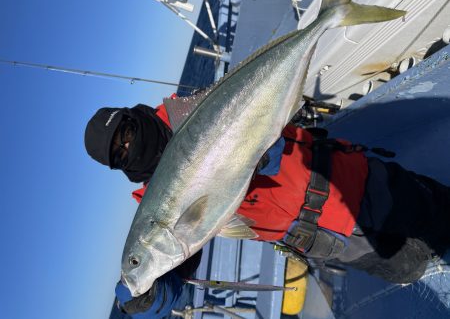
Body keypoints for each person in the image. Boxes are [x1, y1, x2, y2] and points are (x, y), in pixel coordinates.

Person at [85, 94, 450, 317]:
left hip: (347, 183)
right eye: (120, 153)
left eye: (128, 132)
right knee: (408, 267)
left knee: (438, 214)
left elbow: (266, 107)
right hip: (326, 240)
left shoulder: (193, 111)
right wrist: (148, 296)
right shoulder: (156, 207)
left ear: (134, 115)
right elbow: (179, 271)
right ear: (119, 168)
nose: (130, 146)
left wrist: (262, 149)